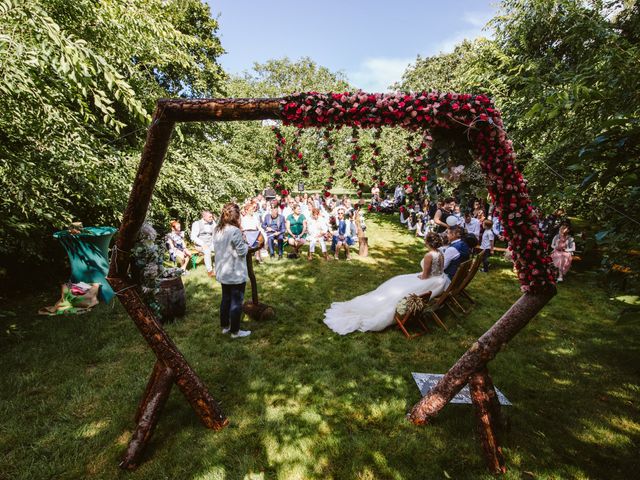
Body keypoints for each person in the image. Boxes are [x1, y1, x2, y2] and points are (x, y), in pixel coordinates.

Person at [323, 232, 448, 335]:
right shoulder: (440, 252)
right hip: (437, 279)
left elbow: (425, 275)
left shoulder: (429, 255)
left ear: (427, 242)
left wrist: (419, 277)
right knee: (397, 281)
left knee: (398, 288)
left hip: (427, 280)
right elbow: (440, 270)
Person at [212, 203, 251, 339]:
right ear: (236, 216)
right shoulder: (234, 231)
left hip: (223, 270)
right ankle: (235, 331)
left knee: (226, 298)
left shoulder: (217, 229)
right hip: (235, 272)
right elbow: (241, 251)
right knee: (236, 301)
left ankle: (225, 327)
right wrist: (246, 243)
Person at [190, 210, 216, 276]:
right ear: (204, 217)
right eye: (210, 217)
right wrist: (203, 244)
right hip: (200, 245)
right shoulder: (196, 224)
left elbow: (216, 233)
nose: (211, 218)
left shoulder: (213, 222)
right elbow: (193, 237)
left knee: (219, 249)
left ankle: (217, 267)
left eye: (212, 217)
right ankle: (209, 271)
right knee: (207, 251)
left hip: (210, 243)